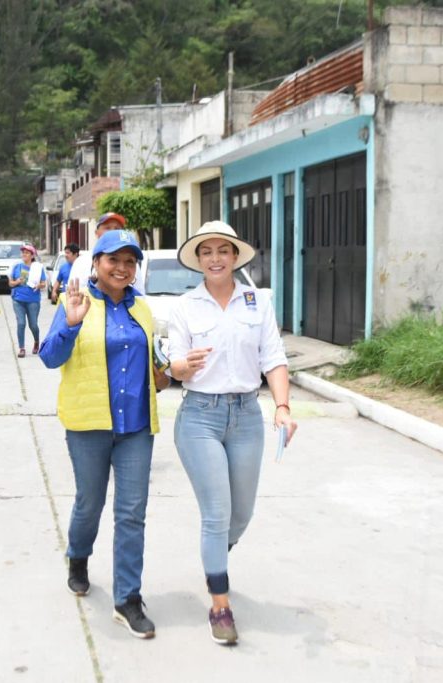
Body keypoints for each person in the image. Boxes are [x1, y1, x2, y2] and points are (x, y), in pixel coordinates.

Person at [166, 221, 298, 646]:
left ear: (236, 256)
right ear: (198, 260)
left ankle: (214, 558)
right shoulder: (185, 306)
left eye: (223, 250)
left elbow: (273, 357)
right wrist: (182, 366)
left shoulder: (257, 303)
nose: (215, 258)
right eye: (207, 252)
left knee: (241, 515)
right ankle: (220, 606)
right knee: (217, 512)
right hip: (200, 418)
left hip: (246, 417)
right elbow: (173, 363)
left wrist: (282, 407)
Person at [40, 229, 171, 640]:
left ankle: (127, 598)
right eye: (113, 259)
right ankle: (78, 556)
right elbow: (49, 357)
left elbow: (157, 366)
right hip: (89, 424)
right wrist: (71, 324)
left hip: (136, 427)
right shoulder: (75, 301)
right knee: (90, 502)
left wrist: (168, 371)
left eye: (130, 261)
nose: (122, 268)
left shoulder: (143, 309)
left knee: (132, 512)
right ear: (96, 263)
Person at [8, 243, 47, 358]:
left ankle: (36, 342)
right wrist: (17, 282)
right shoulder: (16, 267)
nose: (24, 254)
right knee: (21, 323)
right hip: (18, 299)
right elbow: (10, 283)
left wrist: (39, 285)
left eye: (27, 253)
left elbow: (44, 283)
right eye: (23, 252)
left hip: (33, 300)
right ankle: (22, 348)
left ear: (32, 255)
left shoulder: (38, 268)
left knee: (33, 325)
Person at [68, 212, 125, 288]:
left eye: (117, 229)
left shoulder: (131, 265)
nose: (112, 233)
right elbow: (72, 291)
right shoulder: (81, 262)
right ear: (96, 233)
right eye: (107, 228)